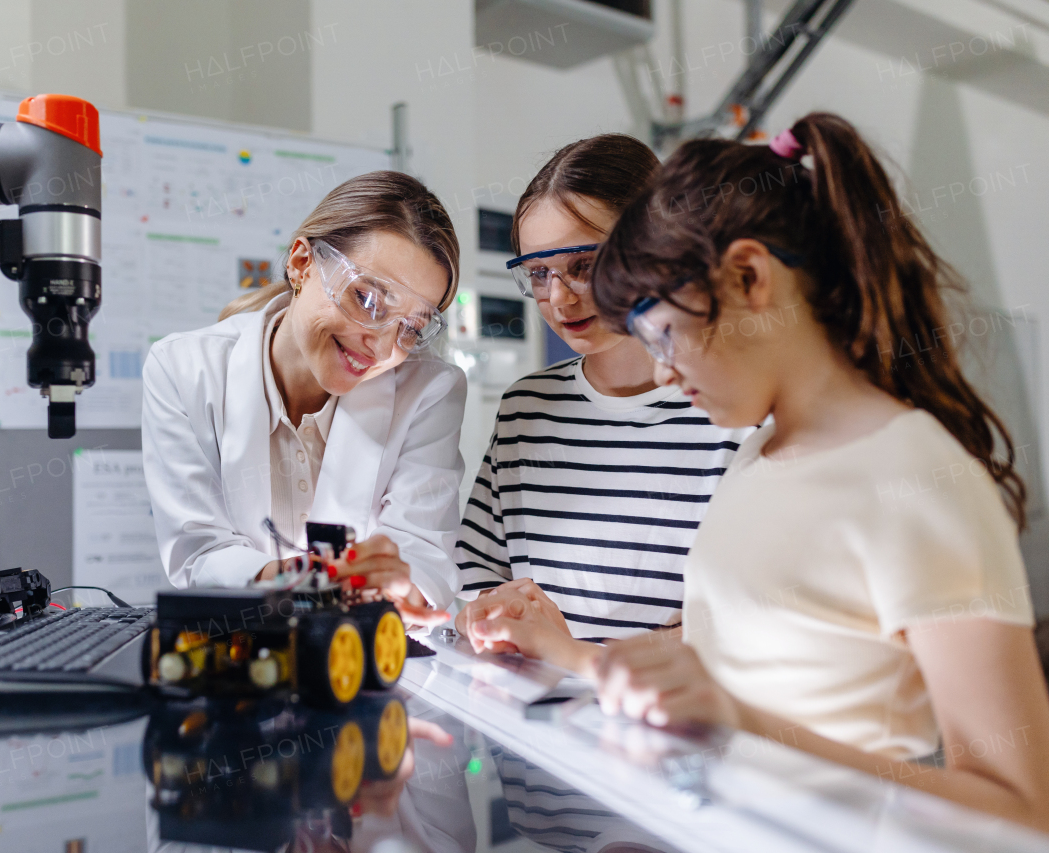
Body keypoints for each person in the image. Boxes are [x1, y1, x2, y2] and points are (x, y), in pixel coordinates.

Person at [479, 113, 1049, 830]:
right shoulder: (758, 455)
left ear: (749, 277)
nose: (661, 366)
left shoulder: (918, 478)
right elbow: (734, 682)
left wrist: (739, 723)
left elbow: (1023, 811)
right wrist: (583, 660)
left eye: (663, 331)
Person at [453, 134, 752, 669]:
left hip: (679, 730)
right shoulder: (526, 408)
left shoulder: (732, 414)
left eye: (584, 266)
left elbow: (745, 624)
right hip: (546, 728)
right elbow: (475, 577)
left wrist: (577, 656)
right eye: (539, 274)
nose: (560, 298)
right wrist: (486, 614)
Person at [142, 171, 465, 625]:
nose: (379, 345)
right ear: (301, 264)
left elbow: (422, 552)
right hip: (240, 640)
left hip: (359, 647)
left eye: (409, 327)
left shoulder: (430, 389)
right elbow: (199, 552)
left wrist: (398, 581)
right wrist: (314, 581)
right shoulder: (184, 368)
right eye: (368, 300)